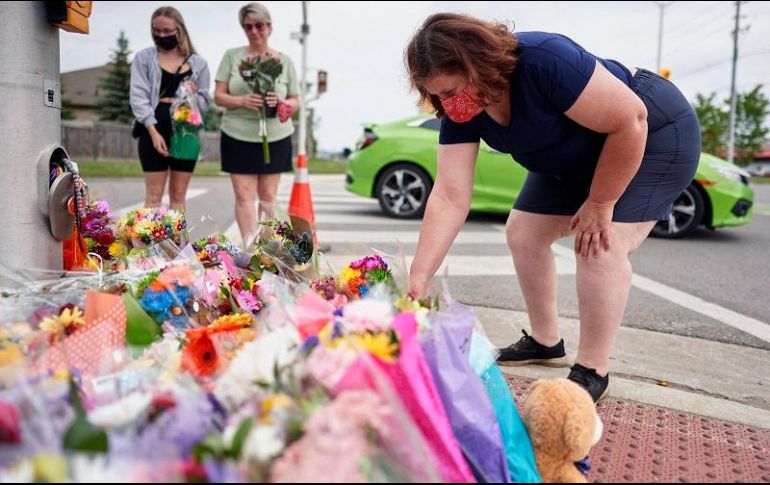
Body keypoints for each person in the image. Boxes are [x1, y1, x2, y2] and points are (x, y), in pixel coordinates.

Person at [405, 13, 701, 402]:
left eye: (451, 90)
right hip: (572, 157)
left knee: (600, 243)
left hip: (651, 136)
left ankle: (592, 370)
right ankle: (545, 342)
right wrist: (419, 276)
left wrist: (601, 202)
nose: (448, 105)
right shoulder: (462, 110)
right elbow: (449, 195)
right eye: (437, 95)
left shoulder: (544, 59)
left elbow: (631, 119)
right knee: (524, 234)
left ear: (479, 66)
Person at [214, 2, 300, 246]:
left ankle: (267, 250)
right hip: (237, 134)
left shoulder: (284, 61)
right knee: (243, 195)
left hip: (275, 136)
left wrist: (282, 102)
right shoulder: (233, 56)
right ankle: (249, 249)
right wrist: (241, 99)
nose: (254, 31)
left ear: (269, 28)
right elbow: (219, 96)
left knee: (268, 197)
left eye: (259, 25)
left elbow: (296, 100)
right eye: (248, 26)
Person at [130, 6, 210, 212]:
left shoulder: (198, 63)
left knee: (178, 197)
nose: (161, 35)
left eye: (167, 31)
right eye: (156, 31)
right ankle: (147, 245)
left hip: (186, 132)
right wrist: (153, 131)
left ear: (179, 30)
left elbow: (204, 102)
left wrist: (193, 95)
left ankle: (178, 246)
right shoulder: (144, 58)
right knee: (154, 197)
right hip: (153, 130)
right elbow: (138, 97)